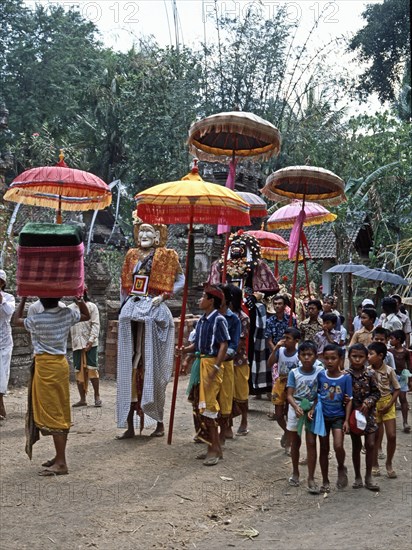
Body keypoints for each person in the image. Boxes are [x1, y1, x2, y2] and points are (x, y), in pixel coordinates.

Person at [116, 219, 184, 439]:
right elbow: (123, 283)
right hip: (133, 307)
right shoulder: (131, 255)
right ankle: (130, 425)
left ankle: (159, 423)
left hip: (154, 307)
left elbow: (181, 278)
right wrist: (124, 303)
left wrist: (164, 296)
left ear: (158, 235)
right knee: (129, 370)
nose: (144, 234)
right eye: (141, 230)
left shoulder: (168, 255)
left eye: (149, 231)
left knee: (153, 372)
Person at [13, 295, 90, 475]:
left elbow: (16, 320)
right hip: (60, 365)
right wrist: (79, 299)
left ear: (40, 299)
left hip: (46, 367)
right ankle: (59, 456)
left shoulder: (36, 319)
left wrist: (23, 298)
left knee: (55, 413)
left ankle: (61, 462)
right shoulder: (66, 314)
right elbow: (86, 315)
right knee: (60, 409)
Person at [182, 285, 230, 465]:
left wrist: (216, 367)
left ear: (211, 301)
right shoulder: (201, 321)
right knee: (199, 406)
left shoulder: (219, 320)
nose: (200, 300)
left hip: (210, 363)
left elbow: (224, 345)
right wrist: (184, 350)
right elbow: (197, 346)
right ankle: (213, 446)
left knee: (209, 407)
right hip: (200, 362)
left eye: (203, 297)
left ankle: (215, 449)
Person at [286, 340, 324, 493]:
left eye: (310, 354)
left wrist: (313, 408)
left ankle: (311, 477)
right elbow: (289, 394)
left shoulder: (319, 372)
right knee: (295, 442)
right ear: (299, 357)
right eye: (303, 355)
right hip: (296, 409)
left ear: (315, 356)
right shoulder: (293, 373)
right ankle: (295, 471)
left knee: (311, 442)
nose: (307, 357)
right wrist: (296, 407)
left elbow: (321, 393)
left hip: (312, 410)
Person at [317, 344, 352, 492]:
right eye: (327, 358)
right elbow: (316, 395)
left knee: (338, 446)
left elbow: (349, 399)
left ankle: (341, 467)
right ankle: (325, 480)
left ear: (340, 359)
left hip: (338, 416)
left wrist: (346, 420)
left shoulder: (346, 378)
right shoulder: (321, 375)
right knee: (324, 448)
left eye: (333, 358)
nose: (330, 361)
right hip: (323, 417)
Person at [347, 343, 381, 491]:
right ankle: (357, 476)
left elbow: (377, 393)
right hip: (354, 417)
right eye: (354, 356)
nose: (357, 360)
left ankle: (368, 476)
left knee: (371, 444)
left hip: (369, 415)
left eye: (361, 357)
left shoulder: (371, 374)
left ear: (366, 358)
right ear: (349, 357)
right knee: (356, 446)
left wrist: (369, 402)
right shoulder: (345, 375)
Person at [368, 342, 400, 479]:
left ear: (380, 356)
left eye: (371, 354)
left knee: (392, 435)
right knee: (376, 437)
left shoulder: (389, 370)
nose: (368, 357)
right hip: (374, 405)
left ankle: (389, 463)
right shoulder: (368, 371)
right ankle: (375, 464)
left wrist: (390, 404)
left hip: (387, 403)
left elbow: (397, 389)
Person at [268, 327, 301, 455]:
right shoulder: (280, 351)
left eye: (288, 338)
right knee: (278, 413)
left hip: (293, 385)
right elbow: (270, 363)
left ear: (296, 341)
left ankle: (289, 442)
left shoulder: (299, 353)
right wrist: (275, 348)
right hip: (280, 383)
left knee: (289, 412)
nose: (285, 341)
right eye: (284, 338)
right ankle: (287, 432)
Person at [216, 284, 240, 444]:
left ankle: (223, 432)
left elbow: (233, 345)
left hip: (225, 363)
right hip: (207, 362)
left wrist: (220, 357)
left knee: (225, 399)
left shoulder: (234, 319)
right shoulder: (207, 317)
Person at [69, 288, 101, 407]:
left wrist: (91, 340)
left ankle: (97, 396)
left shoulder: (92, 306)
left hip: (90, 343)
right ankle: (82, 399)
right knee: (78, 371)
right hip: (77, 343)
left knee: (92, 369)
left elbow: (96, 324)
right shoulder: (70, 309)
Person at [227, 284, 250, 436]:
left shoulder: (243, 318)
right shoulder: (222, 315)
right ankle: (227, 425)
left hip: (238, 359)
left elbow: (241, 340)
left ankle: (244, 420)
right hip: (226, 359)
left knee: (241, 393)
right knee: (226, 393)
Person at [0, 269, 15, 420]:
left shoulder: (9, 298)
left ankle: (1, 403)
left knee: (2, 375)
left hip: (4, 343)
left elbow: (6, 312)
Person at [389, 330, 411, 433]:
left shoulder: (405, 352)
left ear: (398, 340)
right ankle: (391, 422)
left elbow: (409, 365)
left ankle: (405, 422)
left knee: (403, 398)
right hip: (392, 376)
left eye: (392, 338)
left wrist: (410, 379)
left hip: (402, 377)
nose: (390, 340)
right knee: (392, 399)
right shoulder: (389, 351)